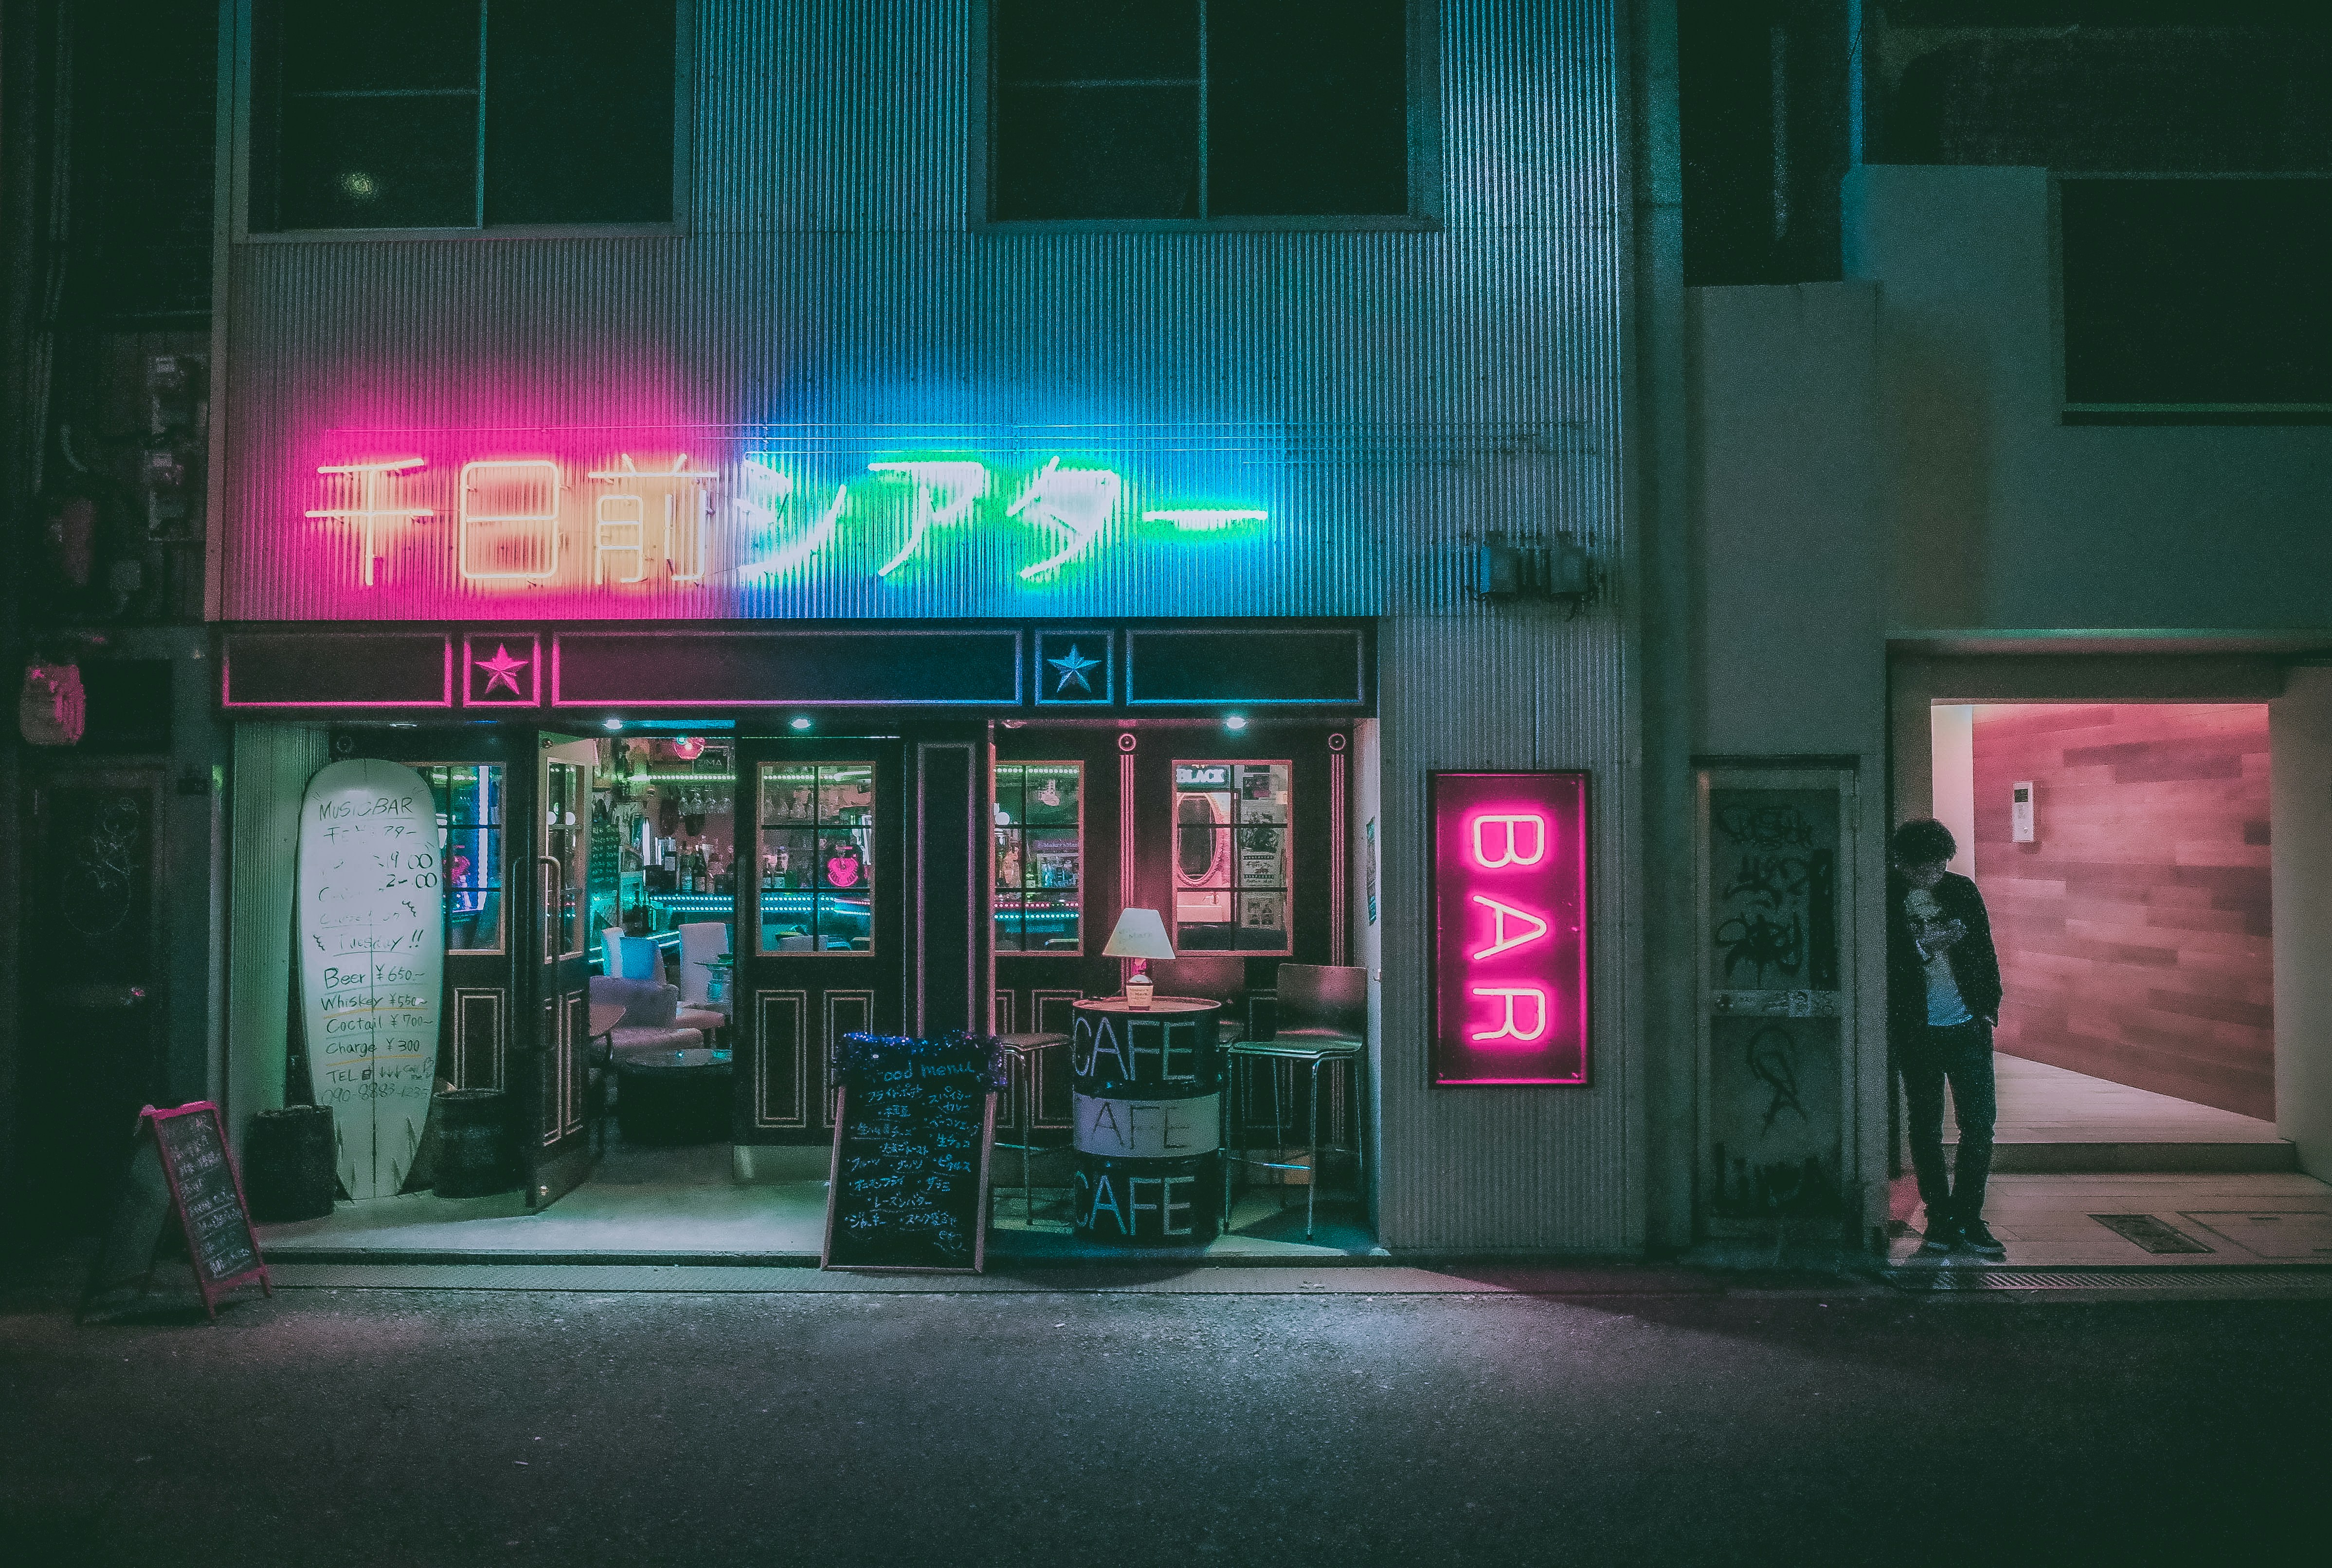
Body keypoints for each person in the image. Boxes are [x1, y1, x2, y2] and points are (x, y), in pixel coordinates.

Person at [1887, 818, 2006, 1258]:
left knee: (1979, 1124)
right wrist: (1924, 946)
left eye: (1939, 864)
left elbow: (1984, 950)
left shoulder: (1961, 891)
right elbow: (1882, 959)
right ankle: (1939, 1214)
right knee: (1925, 1125)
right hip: (1917, 1029)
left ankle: (1967, 1216)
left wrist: (1987, 1007)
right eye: (1922, 867)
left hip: (1967, 1025)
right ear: (1902, 863)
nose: (1932, 873)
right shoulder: (1887, 895)